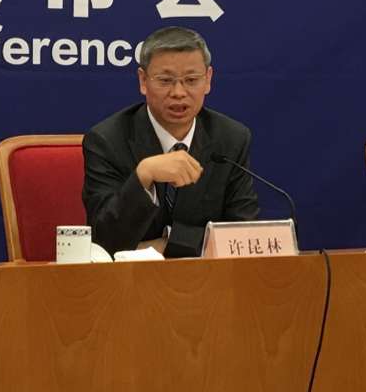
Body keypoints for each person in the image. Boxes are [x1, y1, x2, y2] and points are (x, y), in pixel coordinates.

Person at [81, 26, 259, 257]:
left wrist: (168, 244)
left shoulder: (231, 138)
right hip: (129, 277)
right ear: (143, 80)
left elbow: (242, 237)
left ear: (208, 79)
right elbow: (103, 240)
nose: (178, 92)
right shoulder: (107, 140)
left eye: (191, 80)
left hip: (208, 276)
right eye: (165, 80)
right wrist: (144, 175)